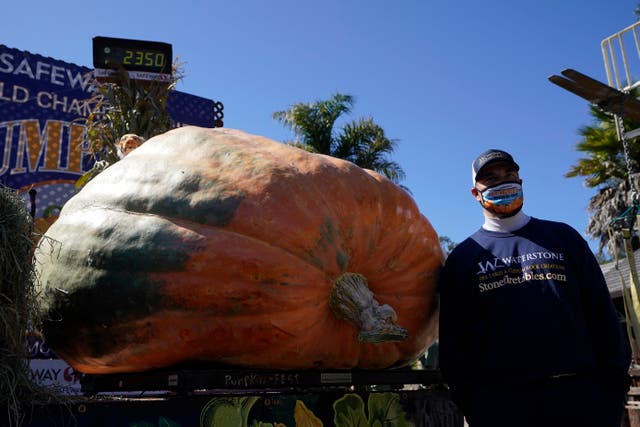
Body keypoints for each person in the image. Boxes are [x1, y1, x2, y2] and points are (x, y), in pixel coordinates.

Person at [438, 149, 632, 427]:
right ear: (475, 193)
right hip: (503, 405)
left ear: (521, 181)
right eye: (490, 179)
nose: (503, 183)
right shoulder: (464, 258)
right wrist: (475, 403)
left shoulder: (564, 238)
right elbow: (455, 342)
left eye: (509, 175)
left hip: (582, 400)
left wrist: (611, 388)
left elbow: (601, 312)